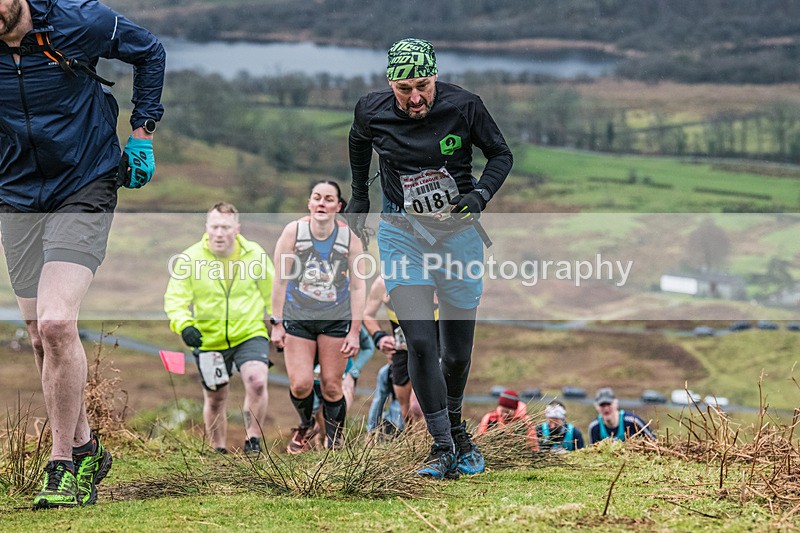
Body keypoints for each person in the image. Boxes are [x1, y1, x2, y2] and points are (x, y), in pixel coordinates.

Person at [0, 0, 165, 508]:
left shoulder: (77, 21)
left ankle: (62, 466)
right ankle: (87, 446)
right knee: (36, 335)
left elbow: (150, 51)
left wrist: (142, 132)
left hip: (85, 181)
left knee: (55, 322)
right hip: (15, 191)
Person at [345, 38, 513, 479]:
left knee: (455, 355)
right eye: (404, 89)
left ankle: (457, 431)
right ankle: (440, 448)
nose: (415, 98)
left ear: (434, 76)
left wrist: (479, 195)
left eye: (423, 85)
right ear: (390, 84)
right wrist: (360, 195)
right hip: (402, 234)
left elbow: (501, 154)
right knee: (419, 342)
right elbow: (359, 142)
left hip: (458, 235)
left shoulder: (465, 106)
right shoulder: (371, 110)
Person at [164, 202, 275, 455]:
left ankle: (253, 441)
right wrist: (185, 325)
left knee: (257, 381)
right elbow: (175, 299)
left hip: (249, 332)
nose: (219, 232)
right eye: (214, 226)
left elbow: (273, 293)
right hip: (208, 338)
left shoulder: (254, 254)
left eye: (225, 227)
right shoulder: (190, 258)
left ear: (236, 229)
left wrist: (279, 323)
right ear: (206, 228)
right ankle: (218, 450)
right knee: (216, 398)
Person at [271, 180, 366, 453]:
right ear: (309, 203)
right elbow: (279, 280)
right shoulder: (294, 232)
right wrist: (276, 324)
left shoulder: (350, 239)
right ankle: (306, 424)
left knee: (332, 388)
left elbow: (359, 286)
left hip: (335, 318)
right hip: (298, 316)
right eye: (317, 198)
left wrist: (355, 331)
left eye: (328, 199)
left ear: (338, 206)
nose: (322, 203)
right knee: (300, 385)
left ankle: (335, 442)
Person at [362, 275, 423, 426]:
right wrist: (380, 337)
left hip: (434, 350)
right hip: (402, 351)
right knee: (407, 413)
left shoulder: (434, 276)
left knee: (418, 408)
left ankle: (440, 445)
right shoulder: (383, 282)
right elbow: (367, 314)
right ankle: (415, 448)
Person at [588, 387, 656, 444]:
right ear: (596, 407)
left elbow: (653, 440)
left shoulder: (633, 421)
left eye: (608, 404)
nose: (606, 408)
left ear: (615, 403)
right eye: (602, 405)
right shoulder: (594, 427)